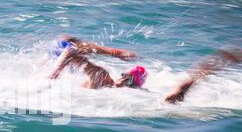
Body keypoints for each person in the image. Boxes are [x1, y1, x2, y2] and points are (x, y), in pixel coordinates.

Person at [48, 35, 241, 102]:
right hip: (68, 85)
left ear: (136, 86)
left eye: (130, 81)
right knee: (65, 39)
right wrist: (54, 74)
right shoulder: (102, 78)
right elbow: (72, 51)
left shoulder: (137, 95)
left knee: (176, 96)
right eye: (125, 76)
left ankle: (217, 63)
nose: (124, 80)